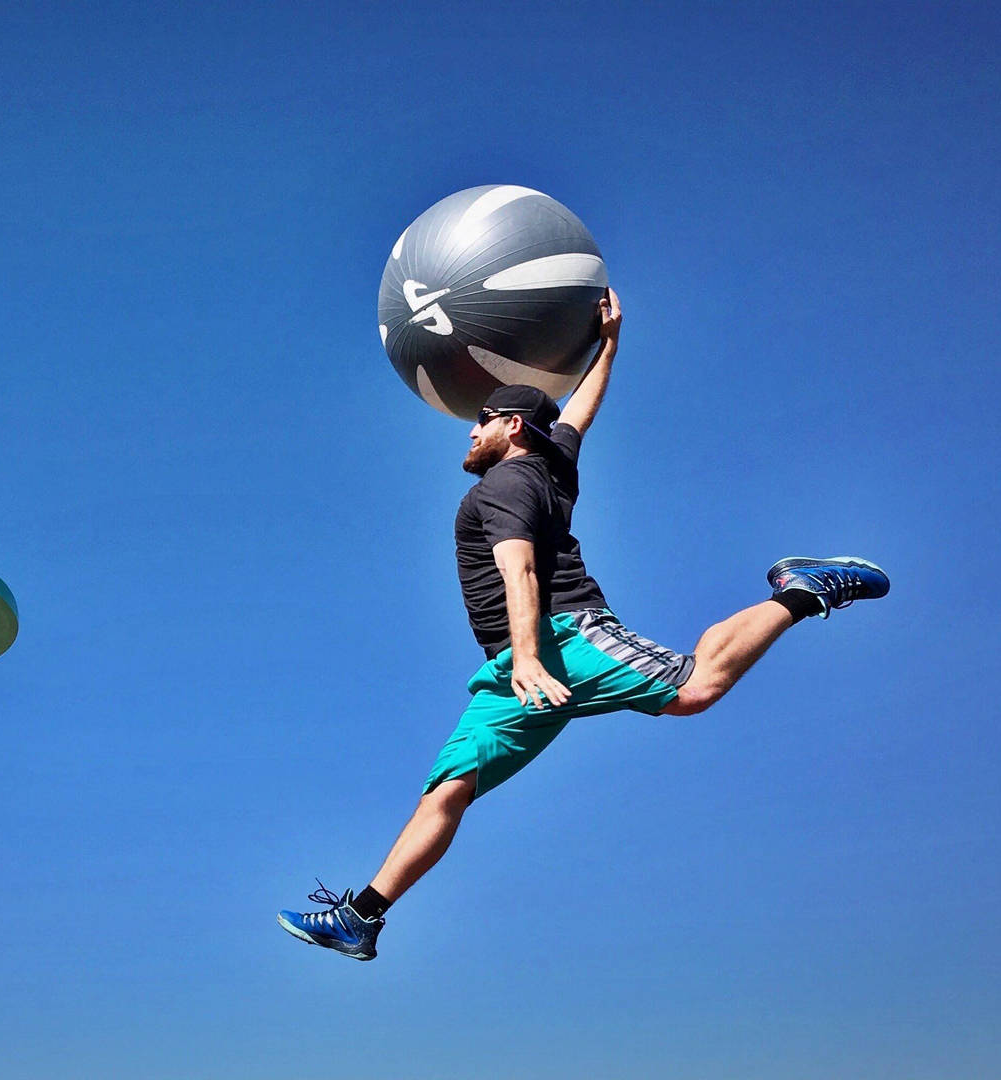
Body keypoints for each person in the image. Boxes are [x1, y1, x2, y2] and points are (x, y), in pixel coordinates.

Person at [277, 290, 889, 962]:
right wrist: (611, 346)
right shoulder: (550, 463)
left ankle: (805, 591)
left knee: (694, 688)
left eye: (482, 419)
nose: (470, 428)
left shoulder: (504, 486)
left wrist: (534, 656)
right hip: (511, 672)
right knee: (450, 788)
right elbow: (576, 419)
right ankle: (362, 917)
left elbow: (522, 574)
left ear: (512, 426)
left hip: (564, 637)